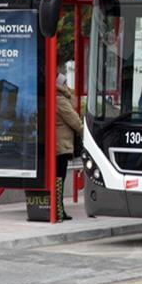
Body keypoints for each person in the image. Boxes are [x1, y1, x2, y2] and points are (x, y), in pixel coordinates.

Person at [56, 73, 83, 220]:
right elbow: (75, 122)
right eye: (65, 83)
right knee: (60, 178)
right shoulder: (60, 100)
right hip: (61, 146)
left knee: (58, 178)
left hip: (59, 146)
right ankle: (58, 209)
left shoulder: (58, 98)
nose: (68, 86)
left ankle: (58, 208)